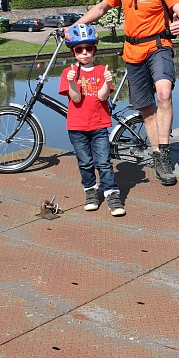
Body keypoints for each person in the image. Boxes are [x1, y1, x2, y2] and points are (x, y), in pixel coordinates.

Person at [77, 0, 179, 186]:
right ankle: (157, 155)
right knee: (145, 109)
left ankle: (164, 154)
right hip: (132, 50)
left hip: (158, 45)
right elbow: (101, 8)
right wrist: (74, 26)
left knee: (163, 93)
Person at [58, 23, 125, 216]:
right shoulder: (68, 72)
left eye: (89, 49)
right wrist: (71, 81)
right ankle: (91, 191)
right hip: (77, 126)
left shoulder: (101, 70)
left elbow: (103, 97)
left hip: (99, 124)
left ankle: (112, 193)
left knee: (103, 161)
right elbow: (76, 98)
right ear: (74, 52)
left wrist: (109, 81)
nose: (85, 53)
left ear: (94, 49)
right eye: (80, 50)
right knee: (85, 162)